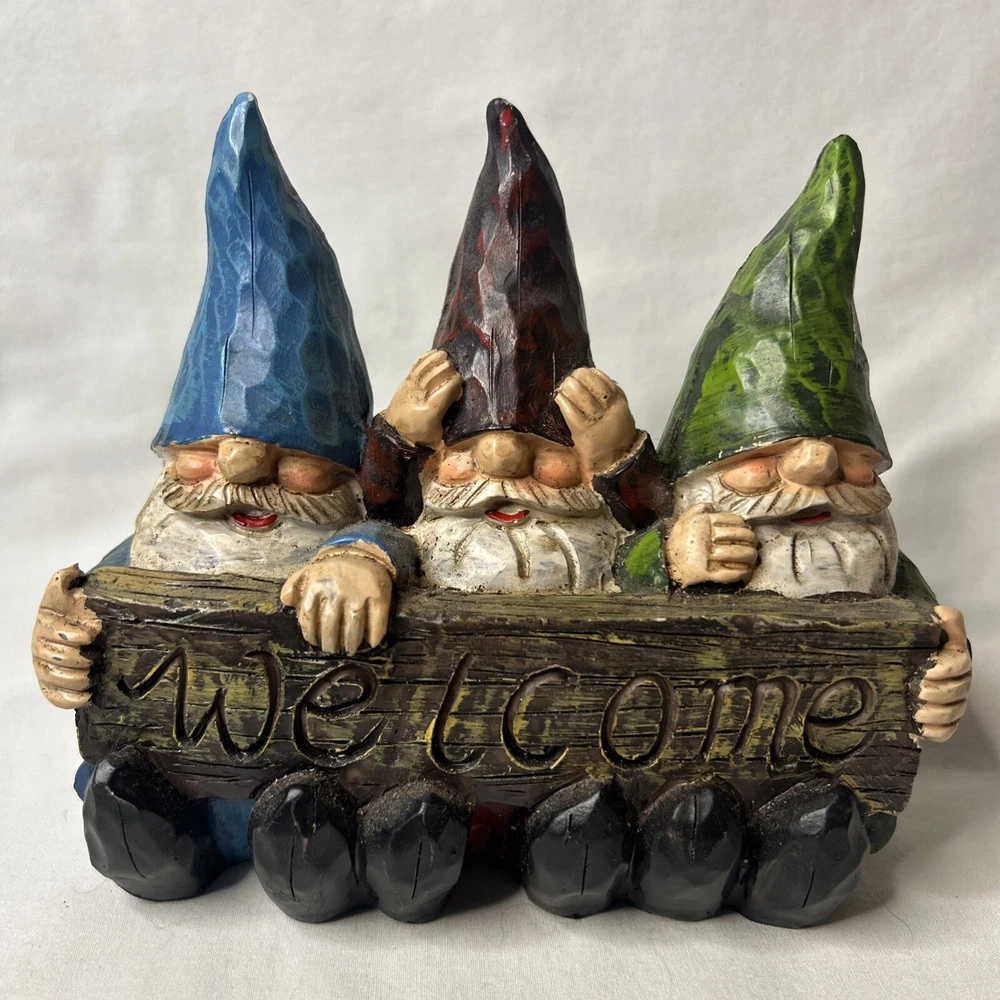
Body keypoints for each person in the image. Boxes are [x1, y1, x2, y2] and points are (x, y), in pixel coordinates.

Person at [29, 93, 406, 902]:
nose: (240, 468)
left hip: (316, 779)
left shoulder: (350, 525)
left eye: (291, 457)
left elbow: (400, 544)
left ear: (345, 470)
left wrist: (360, 555)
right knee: (132, 807)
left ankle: (306, 852)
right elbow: (106, 596)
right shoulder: (159, 543)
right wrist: (64, 627)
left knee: (307, 823)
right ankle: (154, 840)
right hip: (179, 771)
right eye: (205, 451)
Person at [636, 135, 971, 925]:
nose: (817, 468)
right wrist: (669, 555)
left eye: (851, 457)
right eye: (764, 457)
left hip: (827, 770)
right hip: (675, 767)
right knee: (686, 833)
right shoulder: (686, 524)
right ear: (697, 478)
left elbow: (924, 634)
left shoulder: (878, 562)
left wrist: (942, 664)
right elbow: (617, 582)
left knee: (818, 845)